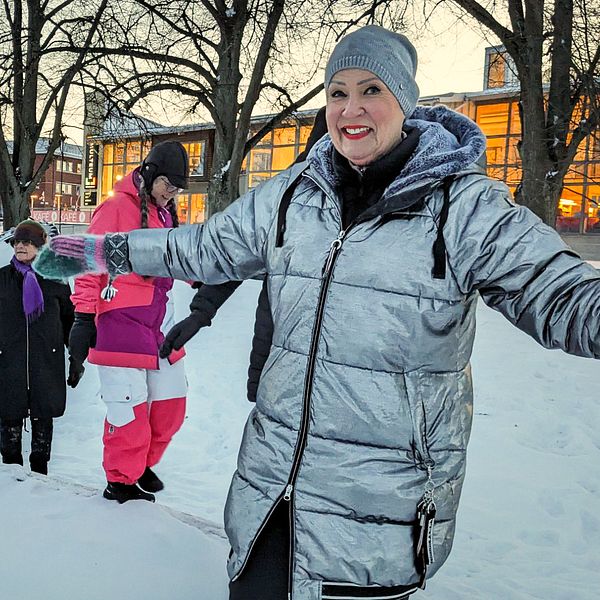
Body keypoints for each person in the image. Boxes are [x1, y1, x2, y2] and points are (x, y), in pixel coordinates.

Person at [35, 24, 600, 600]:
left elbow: (561, 293)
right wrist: (103, 250)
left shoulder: (464, 208)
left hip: (375, 513)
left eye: (371, 89)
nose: (351, 109)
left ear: (404, 101)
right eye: (337, 92)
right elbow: (202, 247)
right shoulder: (292, 196)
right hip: (270, 498)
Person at [159, 107, 329, 403]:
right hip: (276, 354)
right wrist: (201, 312)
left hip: (340, 375)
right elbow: (240, 251)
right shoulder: (288, 195)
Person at [67, 140, 189, 504]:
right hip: (119, 324)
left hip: (157, 326)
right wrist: (83, 316)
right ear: (150, 174)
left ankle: (138, 465)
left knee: (171, 406)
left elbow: (180, 260)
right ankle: (120, 481)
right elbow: (90, 262)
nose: (172, 194)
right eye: (169, 184)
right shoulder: (118, 207)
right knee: (129, 411)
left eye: (179, 188)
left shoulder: (164, 214)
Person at [0, 219, 78, 475]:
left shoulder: (56, 280)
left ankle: (40, 476)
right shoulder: (2, 279)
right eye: (16, 242)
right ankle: (13, 476)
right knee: (9, 418)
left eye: (26, 241)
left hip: (46, 361)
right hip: (9, 362)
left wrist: (77, 357)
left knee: (43, 419)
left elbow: (71, 321)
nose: (20, 246)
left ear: (40, 246)